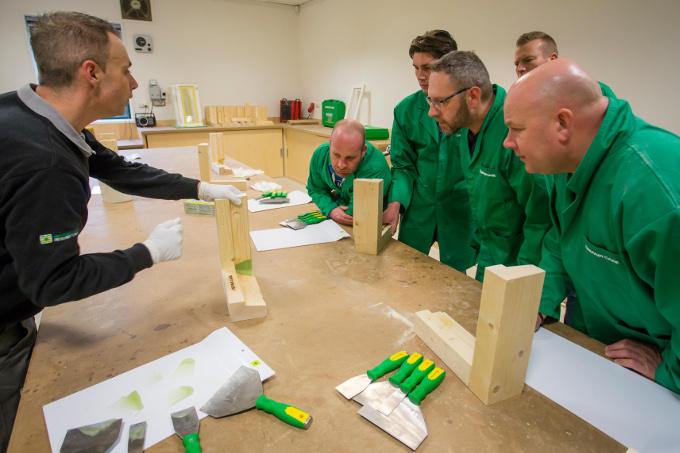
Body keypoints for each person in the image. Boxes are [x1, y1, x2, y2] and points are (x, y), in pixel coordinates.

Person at [0, 12, 243, 450]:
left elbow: (114, 168)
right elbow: (53, 281)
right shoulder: (45, 161)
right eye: (127, 69)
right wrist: (145, 254)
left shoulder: (28, 114)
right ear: (90, 73)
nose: (134, 84)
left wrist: (200, 187)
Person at [503, 59, 680, 394]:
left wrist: (671, 370)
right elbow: (561, 238)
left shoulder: (655, 193)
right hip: (602, 343)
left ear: (562, 124)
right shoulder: (563, 161)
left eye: (517, 129)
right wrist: (540, 301)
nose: (507, 143)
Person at [427, 51, 551, 281]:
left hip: (520, 269)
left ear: (473, 96)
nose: (431, 112)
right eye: (429, 100)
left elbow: (541, 223)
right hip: (490, 258)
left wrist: (526, 287)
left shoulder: (515, 135)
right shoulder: (464, 130)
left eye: (440, 102)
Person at [382, 30, 475, 272]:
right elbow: (403, 167)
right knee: (409, 271)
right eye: (416, 68)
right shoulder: (405, 110)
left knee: (457, 280)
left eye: (429, 67)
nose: (421, 76)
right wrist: (395, 204)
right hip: (419, 208)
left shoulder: (472, 108)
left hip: (460, 210)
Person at [306, 119, 391, 226]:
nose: (341, 165)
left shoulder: (375, 167)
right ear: (330, 144)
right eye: (336, 155)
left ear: (363, 151)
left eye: (350, 158)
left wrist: (334, 206)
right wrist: (331, 209)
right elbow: (316, 189)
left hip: (370, 223)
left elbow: (355, 214)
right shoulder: (320, 155)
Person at [514, 31, 616, 98]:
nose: (520, 68)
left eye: (528, 60)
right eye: (516, 63)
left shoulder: (596, 91)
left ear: (552, 59)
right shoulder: (521, 102)